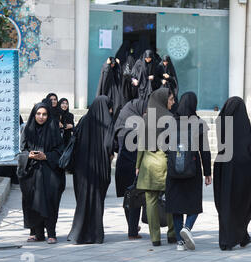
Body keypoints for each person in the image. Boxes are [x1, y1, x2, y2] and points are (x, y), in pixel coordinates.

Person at [165, 92, 212, 251]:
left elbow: (164, 145)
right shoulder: (198, 123)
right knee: (193, 203)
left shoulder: (170, 121)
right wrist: (207, 172)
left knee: (176, 205)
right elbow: (205, 150)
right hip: (193, 168)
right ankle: (188, 227)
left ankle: (180, 242)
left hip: (173, 168)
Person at [213, 96, 251, 251]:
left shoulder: (222, 124)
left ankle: (230, 238)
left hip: (223, 167)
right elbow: (248, 150)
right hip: (241, 170)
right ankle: (239, 236)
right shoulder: (242, 125)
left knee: (226, 204)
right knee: (241, 204)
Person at [67, 95, 115, 244]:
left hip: (81, 170)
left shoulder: (83, 120)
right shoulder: (107, 123)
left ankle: (77, 234)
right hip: (99, 169)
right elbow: (109, 145)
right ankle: (95, 235)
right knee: (97, 200)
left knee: (82, 200)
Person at [17, 103, 66, 244]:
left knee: (51, 201)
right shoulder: (28, 129)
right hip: (31, 173)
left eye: (44, 114)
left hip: (50, 173)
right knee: (31, 201)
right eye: (38, 114)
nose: (41, 117)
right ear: (34, 114)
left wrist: (46, 156)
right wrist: (30, 155)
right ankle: (35, 232)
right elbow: (21, 151)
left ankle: (51, 232)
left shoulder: (54, 130)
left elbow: (60, 152)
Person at [136, 88, 176, 246]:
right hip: (165, 163)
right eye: (171, 99)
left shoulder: (145, 119)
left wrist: (137, 165)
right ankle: (172, 233)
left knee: (151, 201)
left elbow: (140, 145)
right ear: (163, 100)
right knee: (171, 199)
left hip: (148, 164)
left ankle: (155, 237)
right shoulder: (170, 118)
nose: (173, 102)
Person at [114, 98, 148, 240]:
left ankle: (132, 227)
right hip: (134, 167)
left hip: (122, 165)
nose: (146, 114)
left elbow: (115, 144)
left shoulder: (121, 124)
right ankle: (132, 231)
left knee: (128, 198)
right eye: (145, 111)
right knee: (135, 198)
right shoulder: (137, 127)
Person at [96, 57, 124, 121]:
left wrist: (119, 64)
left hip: (113, 92)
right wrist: (107, 65)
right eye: (111, 64)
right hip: (106, 92)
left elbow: (119, 75)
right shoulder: (105, 68)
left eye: (113, 64)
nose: (112, 66)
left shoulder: (113, 69)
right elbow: (105, 76)